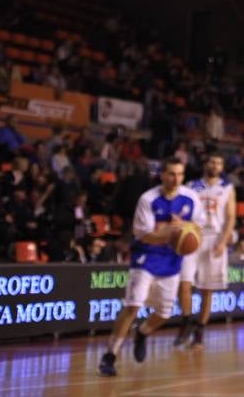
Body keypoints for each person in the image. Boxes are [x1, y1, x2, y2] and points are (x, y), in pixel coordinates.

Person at [98, 159, 198, 377]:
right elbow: (145, 235)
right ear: (162, 175)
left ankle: (142, 333)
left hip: (172, 262)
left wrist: (186, 232)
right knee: (133, 307)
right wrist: (171, 231)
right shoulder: (148, 199)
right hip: (146, 257)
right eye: (171, 174)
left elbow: (197, 228)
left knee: (164, 314)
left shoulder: (190, 197)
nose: (176, 179)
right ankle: (110, 356)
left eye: (180, 174)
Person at [176, 154, 235, 348]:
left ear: (222, 166)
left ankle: (199, 332)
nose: (215, 165)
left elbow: (230, 218)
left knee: (206, 290)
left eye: (219, 162)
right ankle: (186, 321)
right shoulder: (192, 186)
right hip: (194, 235)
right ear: (205, 164)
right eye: (212, 161)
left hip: (214, 239)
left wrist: (223, 241)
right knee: (184, 283)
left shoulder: (227, 188)